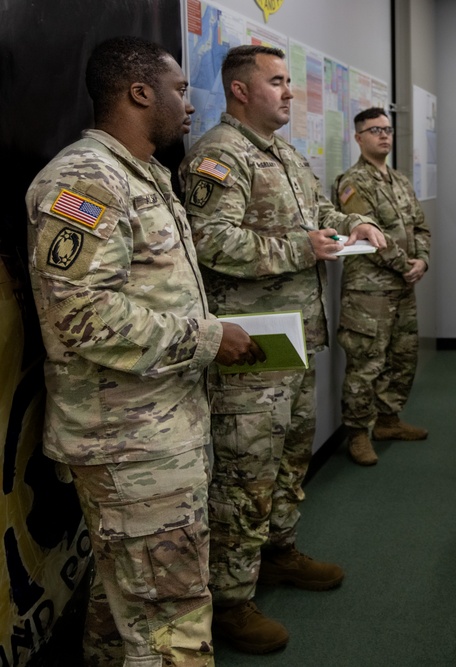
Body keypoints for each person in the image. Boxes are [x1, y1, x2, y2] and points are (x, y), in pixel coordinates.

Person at [25, 36, 263, 666]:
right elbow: (82, 314)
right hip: (126, 442)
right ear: (139, 92)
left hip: (158, 427)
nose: (190, 104)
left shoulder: (149, 173)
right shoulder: (85, 180)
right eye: (181, 90)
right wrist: (209, 336)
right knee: (172, 624)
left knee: (121, 602)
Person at [179, 44, 386, 654]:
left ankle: (278, 553)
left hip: (294, 338)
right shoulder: (218, 156)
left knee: (291, 455)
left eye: (290, 81)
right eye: (277, 82)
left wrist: (352, 226)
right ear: (241, 91)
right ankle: (232, 601)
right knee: (247, 470)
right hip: (251, 344)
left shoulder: (283, 154)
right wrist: (304, 247)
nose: (290, 91)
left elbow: (317, 209)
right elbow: (210, 242)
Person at [334, 107, 431, 466]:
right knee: (366, 363)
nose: (384, 135)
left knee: (403, 358)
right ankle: (358, 433)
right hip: (368, 293)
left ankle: (389, 420)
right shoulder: (351, 183)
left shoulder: (401, 181)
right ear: (358, 138)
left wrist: (423, 260)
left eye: (387, 129)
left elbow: (420, 226)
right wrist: (406, 265)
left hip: (403, 288)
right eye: (374, 130)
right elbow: (369, 234)